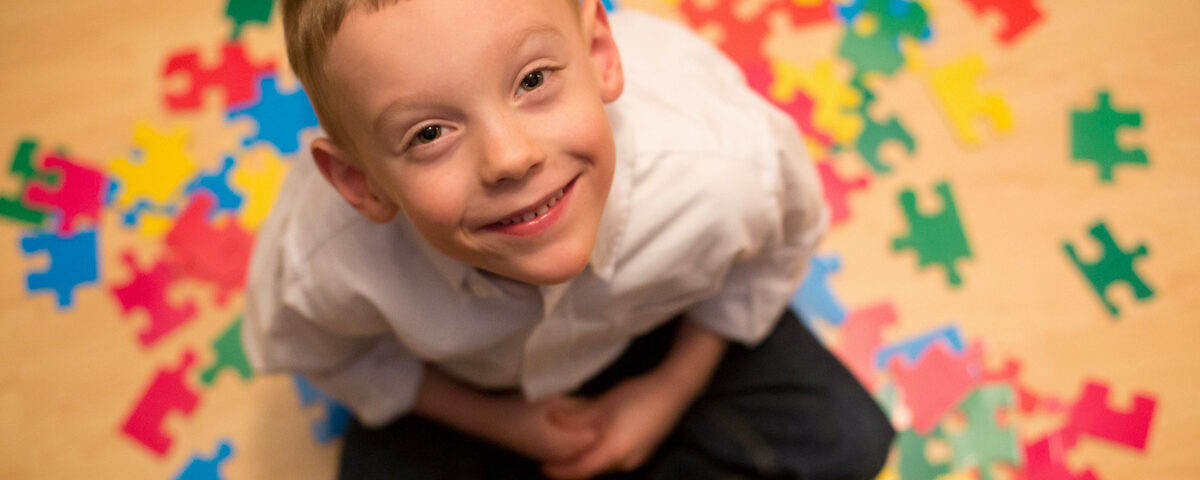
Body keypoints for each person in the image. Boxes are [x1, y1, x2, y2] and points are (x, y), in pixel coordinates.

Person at [242, 0, 895, 478]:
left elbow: (773, 256)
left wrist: (671, 389)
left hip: (660, 321)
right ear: (360, 183)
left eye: (532, 80)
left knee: (844, 436)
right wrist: (502, 424)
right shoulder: (323, 262)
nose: (510, 158)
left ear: (601, 55)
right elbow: (329, 354)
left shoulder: (721, 171)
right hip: (477, 389)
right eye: (429, 134)